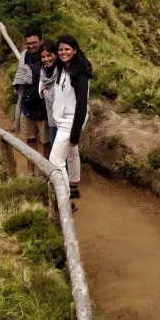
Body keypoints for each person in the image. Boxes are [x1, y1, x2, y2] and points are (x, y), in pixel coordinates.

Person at [49, 34, 91, 203]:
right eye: (60, 49)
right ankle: (73, 188)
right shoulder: (63, 68)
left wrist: (75, 133)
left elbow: (82, 104)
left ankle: (65, 200)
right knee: (72, 154)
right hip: (63, 119)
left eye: (67, 49)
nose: (63, 52)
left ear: (75, 50)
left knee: (56, 159)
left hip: (71, 120)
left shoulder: (80, 74)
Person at [16, 31, 49, 172]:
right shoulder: (24, 56)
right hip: (27, 107)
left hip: (43, 109)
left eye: (34, 42)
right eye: (28, 43)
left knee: (46, 142)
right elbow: (20, 77)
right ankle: (31, 172)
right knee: (30, 140)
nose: (31, 46)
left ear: (41, 41)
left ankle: (45, 172)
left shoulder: (47, 57)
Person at [38, 40, 60, 150]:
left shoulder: (62, 71)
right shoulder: (44, 71)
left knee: (61, 150)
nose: (46, 59)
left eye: (49, 55)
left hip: (63, 118)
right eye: (43, 57)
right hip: (51, 117)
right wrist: (43, 91)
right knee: (53, 143)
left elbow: (57, 97)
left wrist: (44, 91)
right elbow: (41, 86)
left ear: (55, 54)